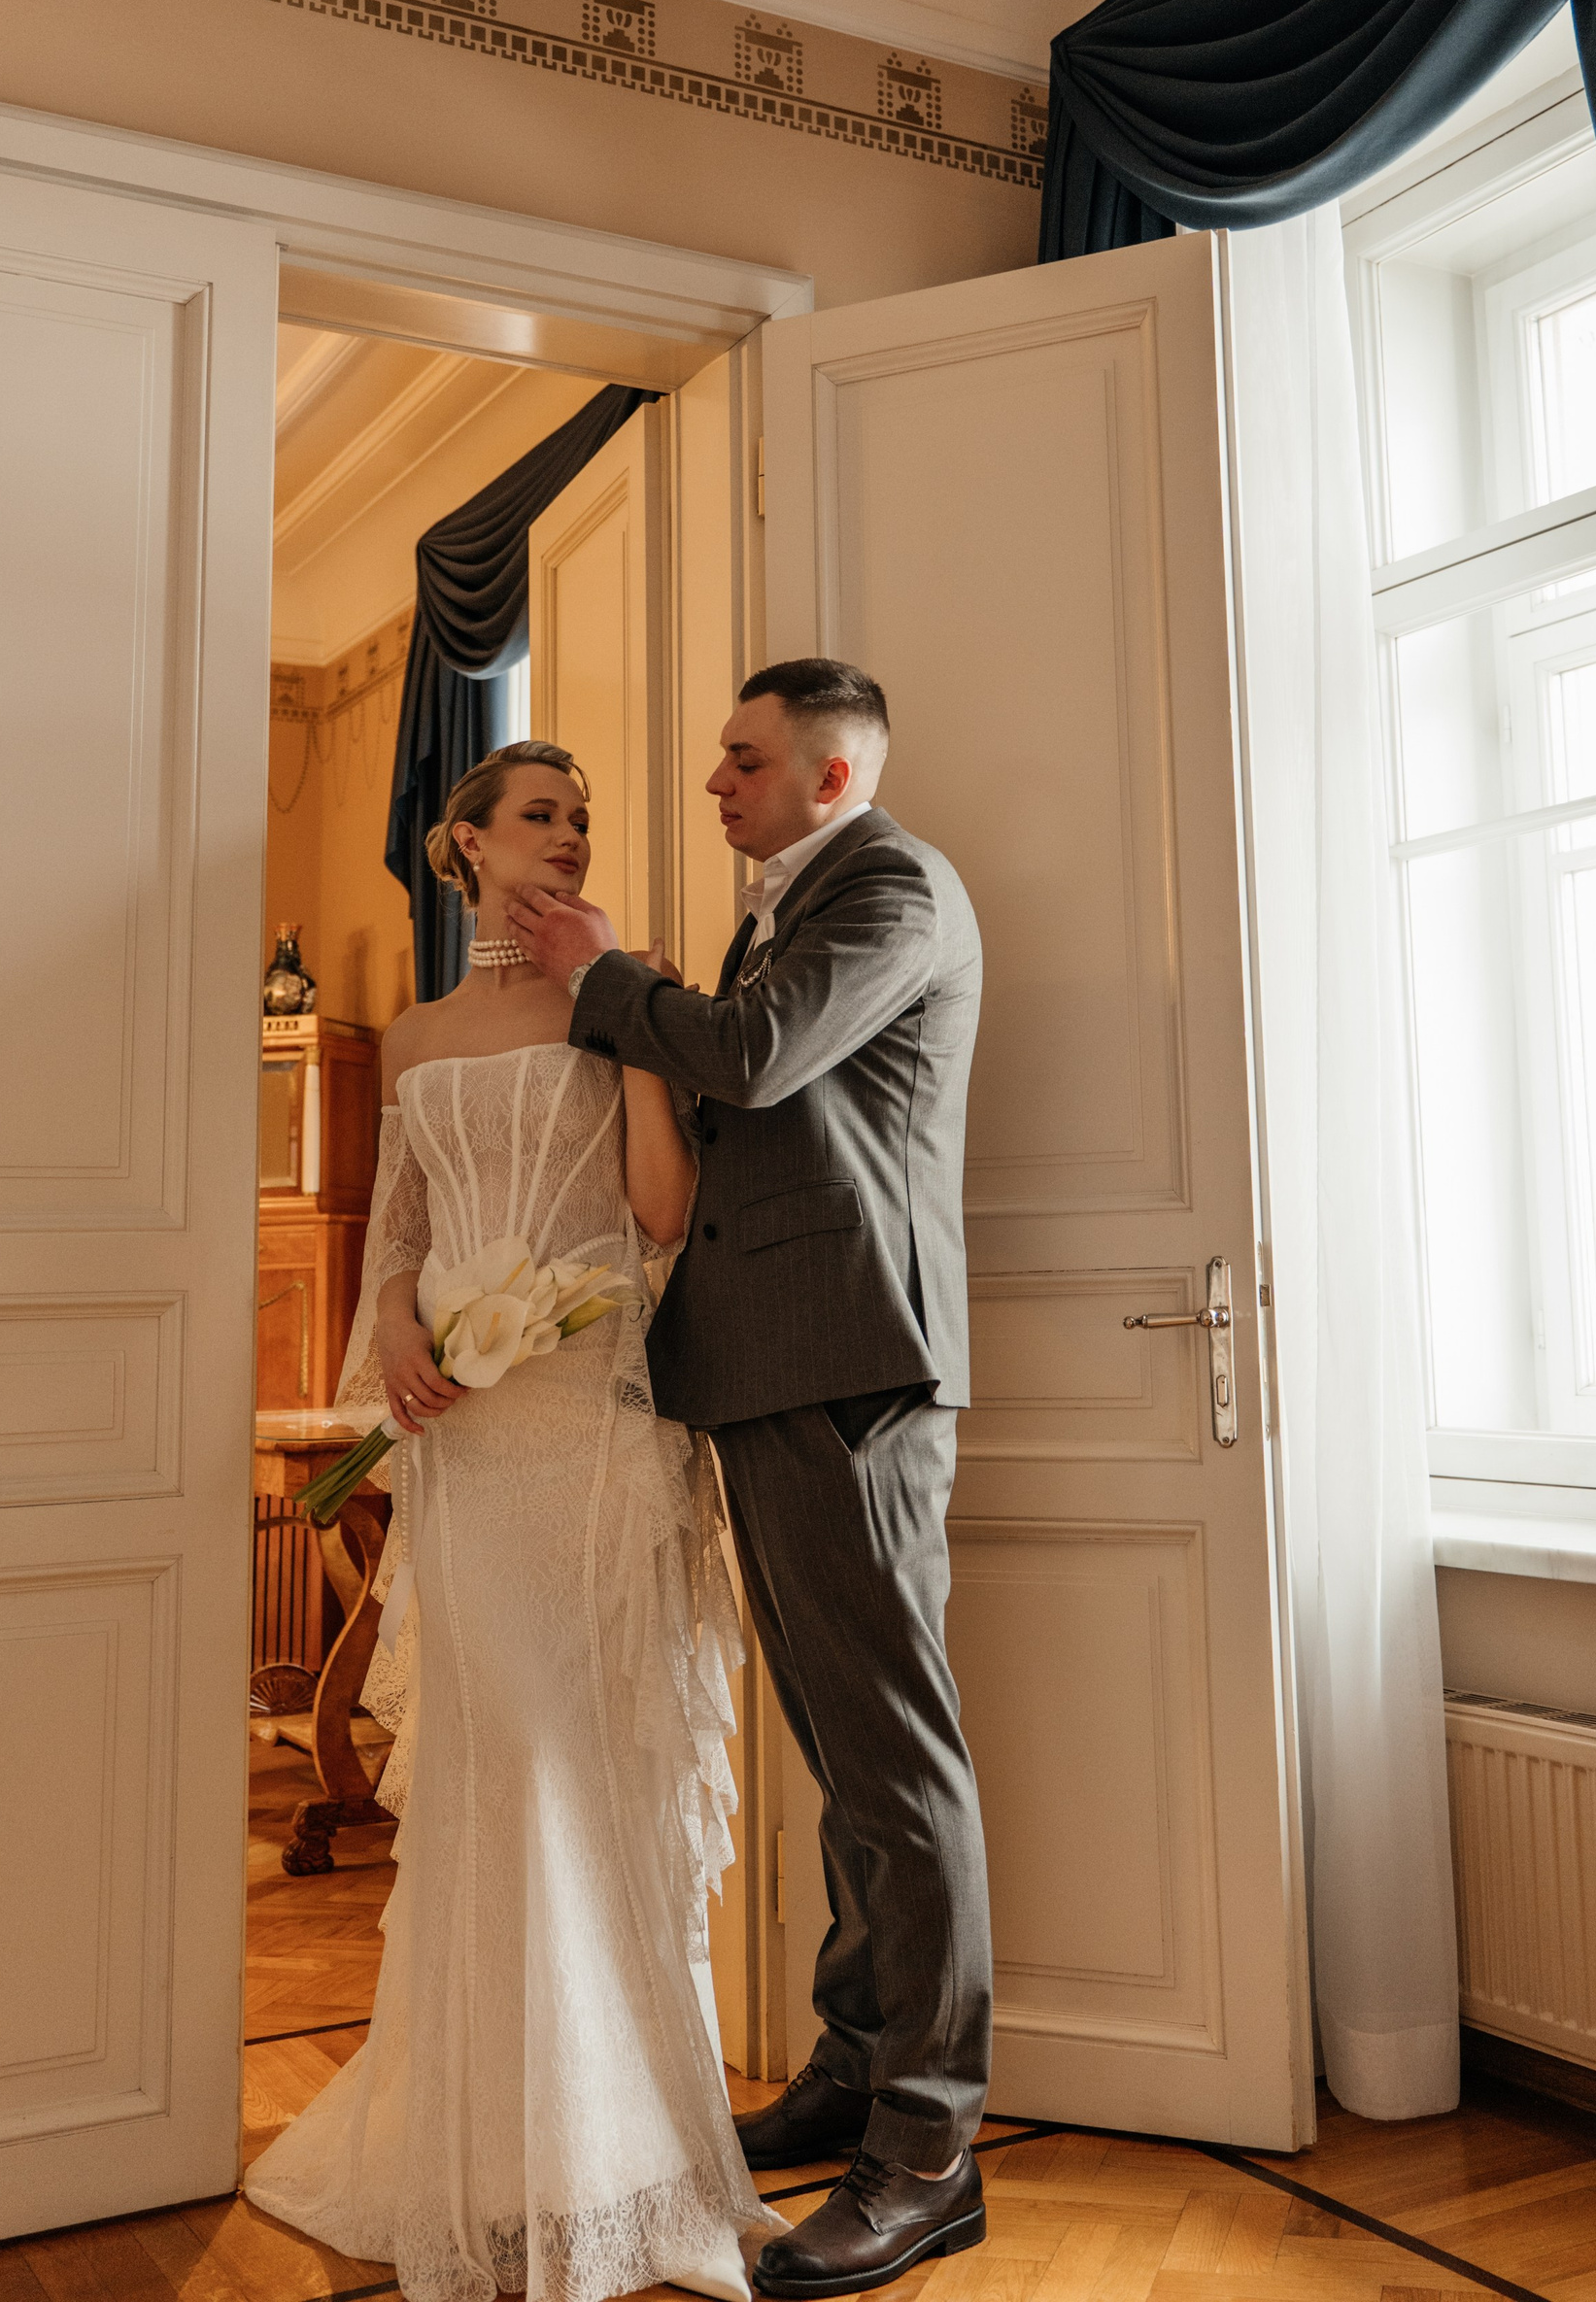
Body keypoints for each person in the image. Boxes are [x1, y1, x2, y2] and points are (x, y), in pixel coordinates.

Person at [245, 741, 772, 2302]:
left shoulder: (627, 987)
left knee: (582, 1770)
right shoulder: (412, 1036)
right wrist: (398, 1328)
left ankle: (618, 2154)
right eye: (540, 816)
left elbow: (662, 1211)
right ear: (465, 844)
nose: (570, 837)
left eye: (583, 819)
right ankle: (485, 2152)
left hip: (597, 1425)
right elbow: (400, 1237)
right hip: (469, 1448)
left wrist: (629, 1014)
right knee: (491, 1778)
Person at [508, 659, 992, 2302]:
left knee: (898, 1767)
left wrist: (599, 977)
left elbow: (764, 1057)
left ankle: (927, 2151)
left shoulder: (892, 885)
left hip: (852, 1367)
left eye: (743, 758)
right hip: (777, 1365)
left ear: (830, 777)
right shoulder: (793, 900)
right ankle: (856, 2069)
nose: (714, 782)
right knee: (844, 1760)